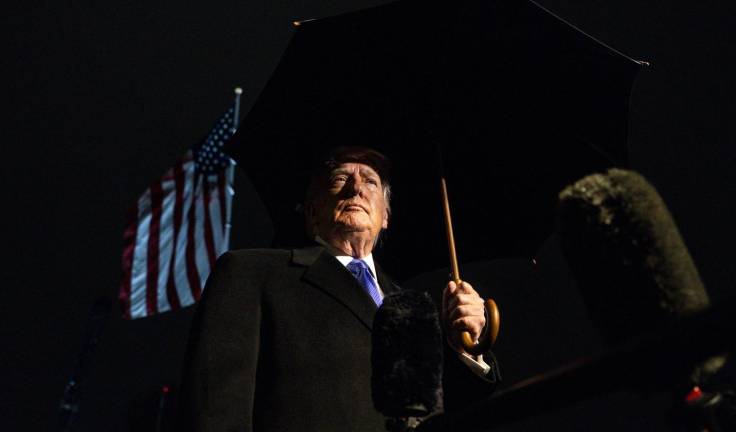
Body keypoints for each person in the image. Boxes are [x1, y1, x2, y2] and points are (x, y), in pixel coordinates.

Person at [180, 147, 499, 431]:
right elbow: (215, 407)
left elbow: (447, 414)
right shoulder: (252, 273)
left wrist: (468, 349)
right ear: (312, 213)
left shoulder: (416, 308)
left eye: (371, 182)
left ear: (385, 216)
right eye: (339, 179)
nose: (356, 187)